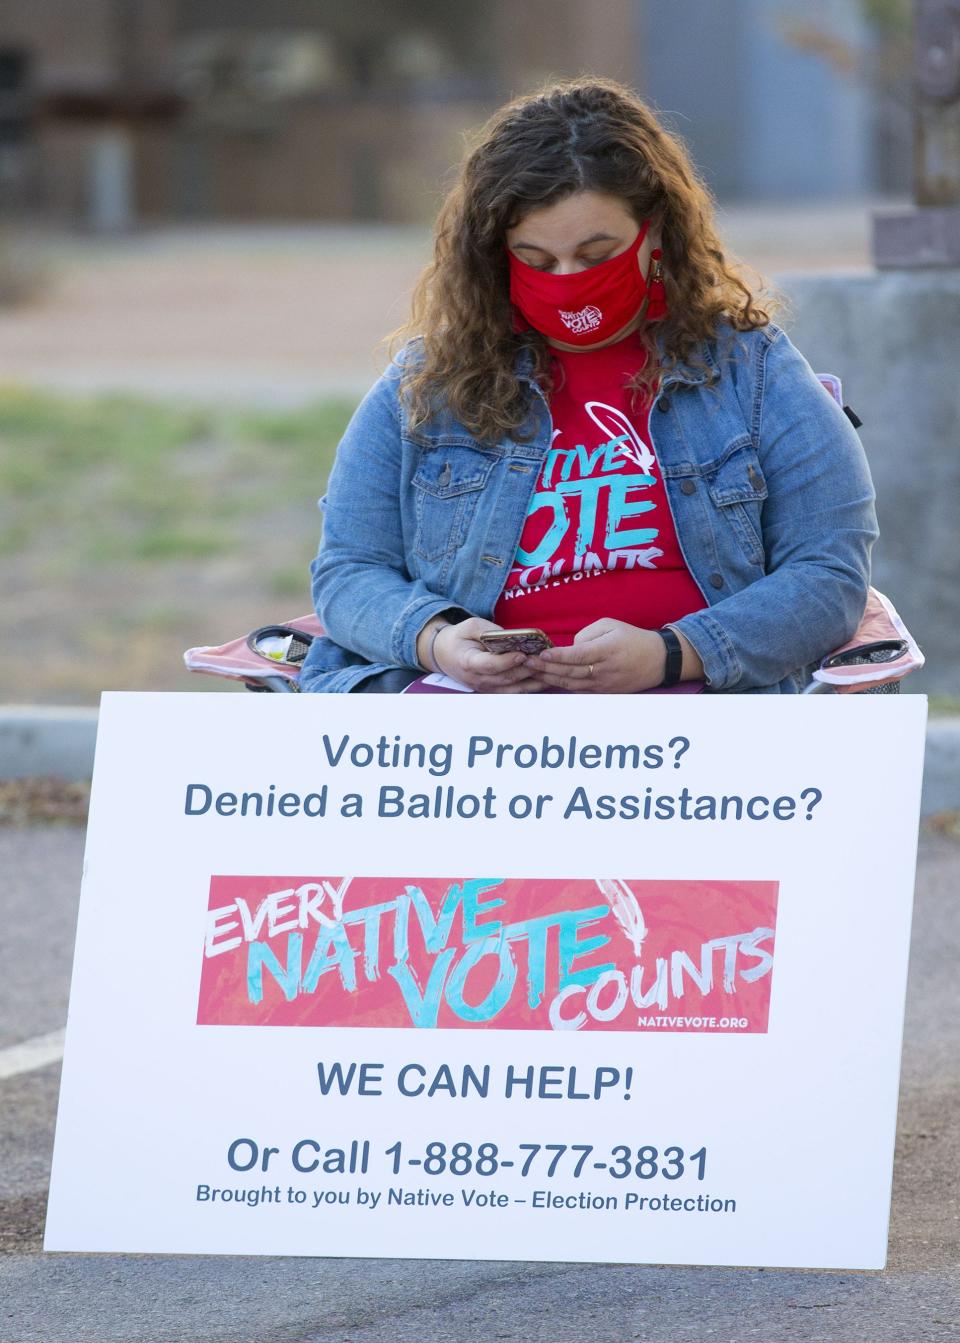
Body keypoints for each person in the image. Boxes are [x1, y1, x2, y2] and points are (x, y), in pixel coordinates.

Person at [299, 77, 878, 696]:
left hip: (698, 719)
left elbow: (829, 576)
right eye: (537, 260)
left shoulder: (752, 369)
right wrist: (437, 641)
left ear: (655, 232)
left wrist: (672, 654)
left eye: (596, 254)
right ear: (495, 257)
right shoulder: (426, 384)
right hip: (466, 724)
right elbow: (349, 572)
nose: (569, 280)